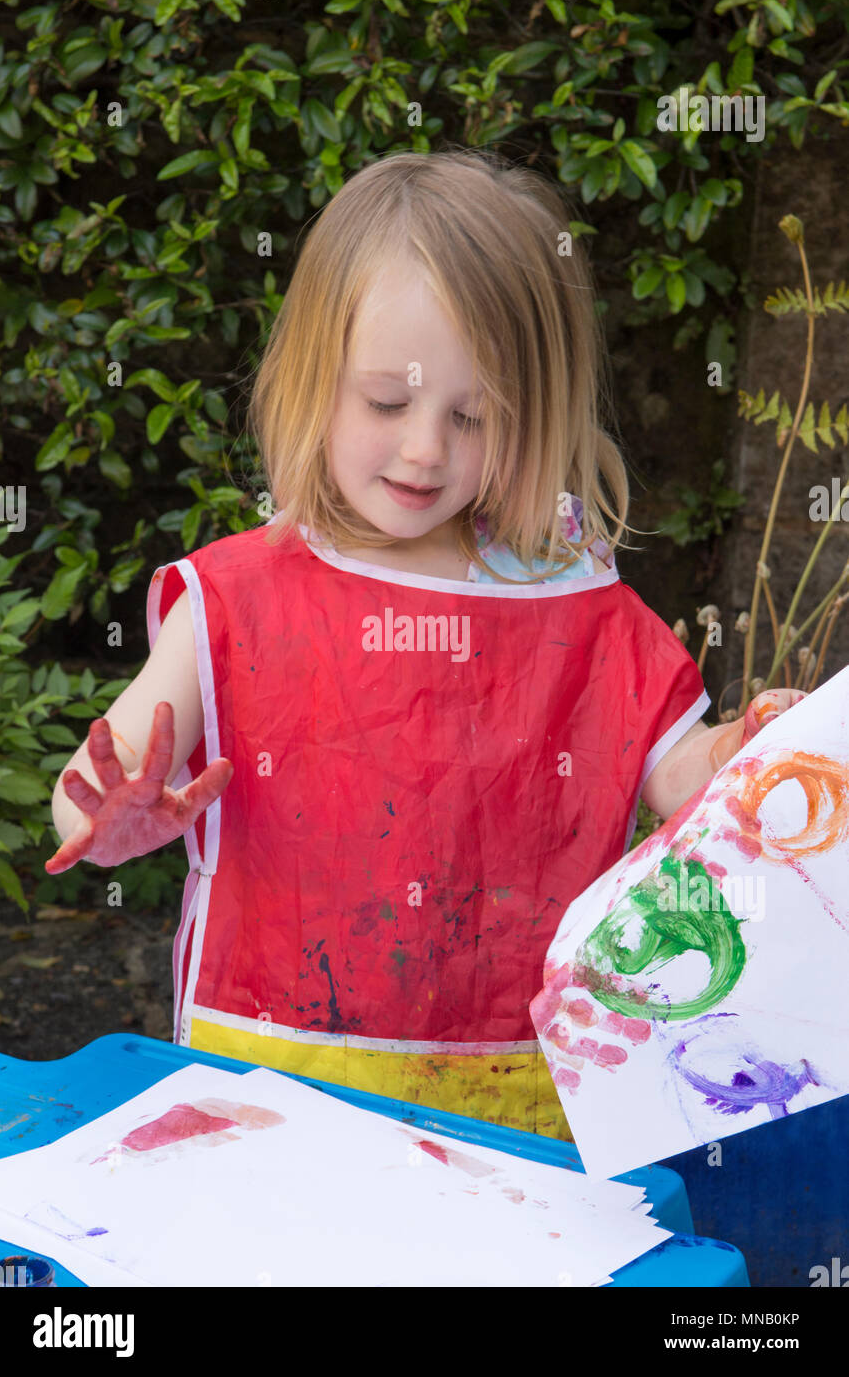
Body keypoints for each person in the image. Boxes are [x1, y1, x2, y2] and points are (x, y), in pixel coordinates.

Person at [46, 148, 803, 1140]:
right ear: (313, 378)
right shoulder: (235, 597)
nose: (423, 450)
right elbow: (89, 784)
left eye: (471, 416)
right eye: (387, 403)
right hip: (273, 1086)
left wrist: (750, 749)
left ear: (532, 416)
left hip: (520, 1102)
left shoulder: (572, 600)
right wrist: (110, 821)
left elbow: (680, 777)